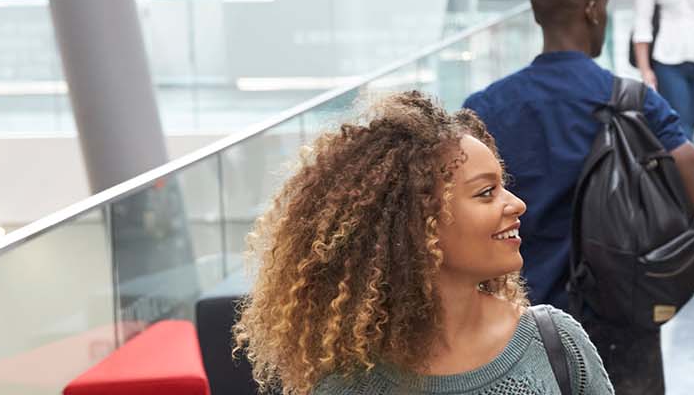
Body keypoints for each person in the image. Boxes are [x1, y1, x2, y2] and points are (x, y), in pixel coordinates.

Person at [233, 92, 614, 395]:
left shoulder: (556, 346)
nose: (516, 204)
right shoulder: (345, 384)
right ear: (418, 224)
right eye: (486, 193)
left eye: (504, 187)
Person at [462, 0, 694, 391]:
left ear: (536, 13)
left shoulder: (485, 108)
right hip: (622, 323)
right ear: (593, 9)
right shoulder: (632, 101)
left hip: (518, 324)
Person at [635, 0, 694, 137]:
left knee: (691, 127)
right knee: (682, 128)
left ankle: (678, 158)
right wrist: (644, 70)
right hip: (668, 60)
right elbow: (642, 22)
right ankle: (688, 158)